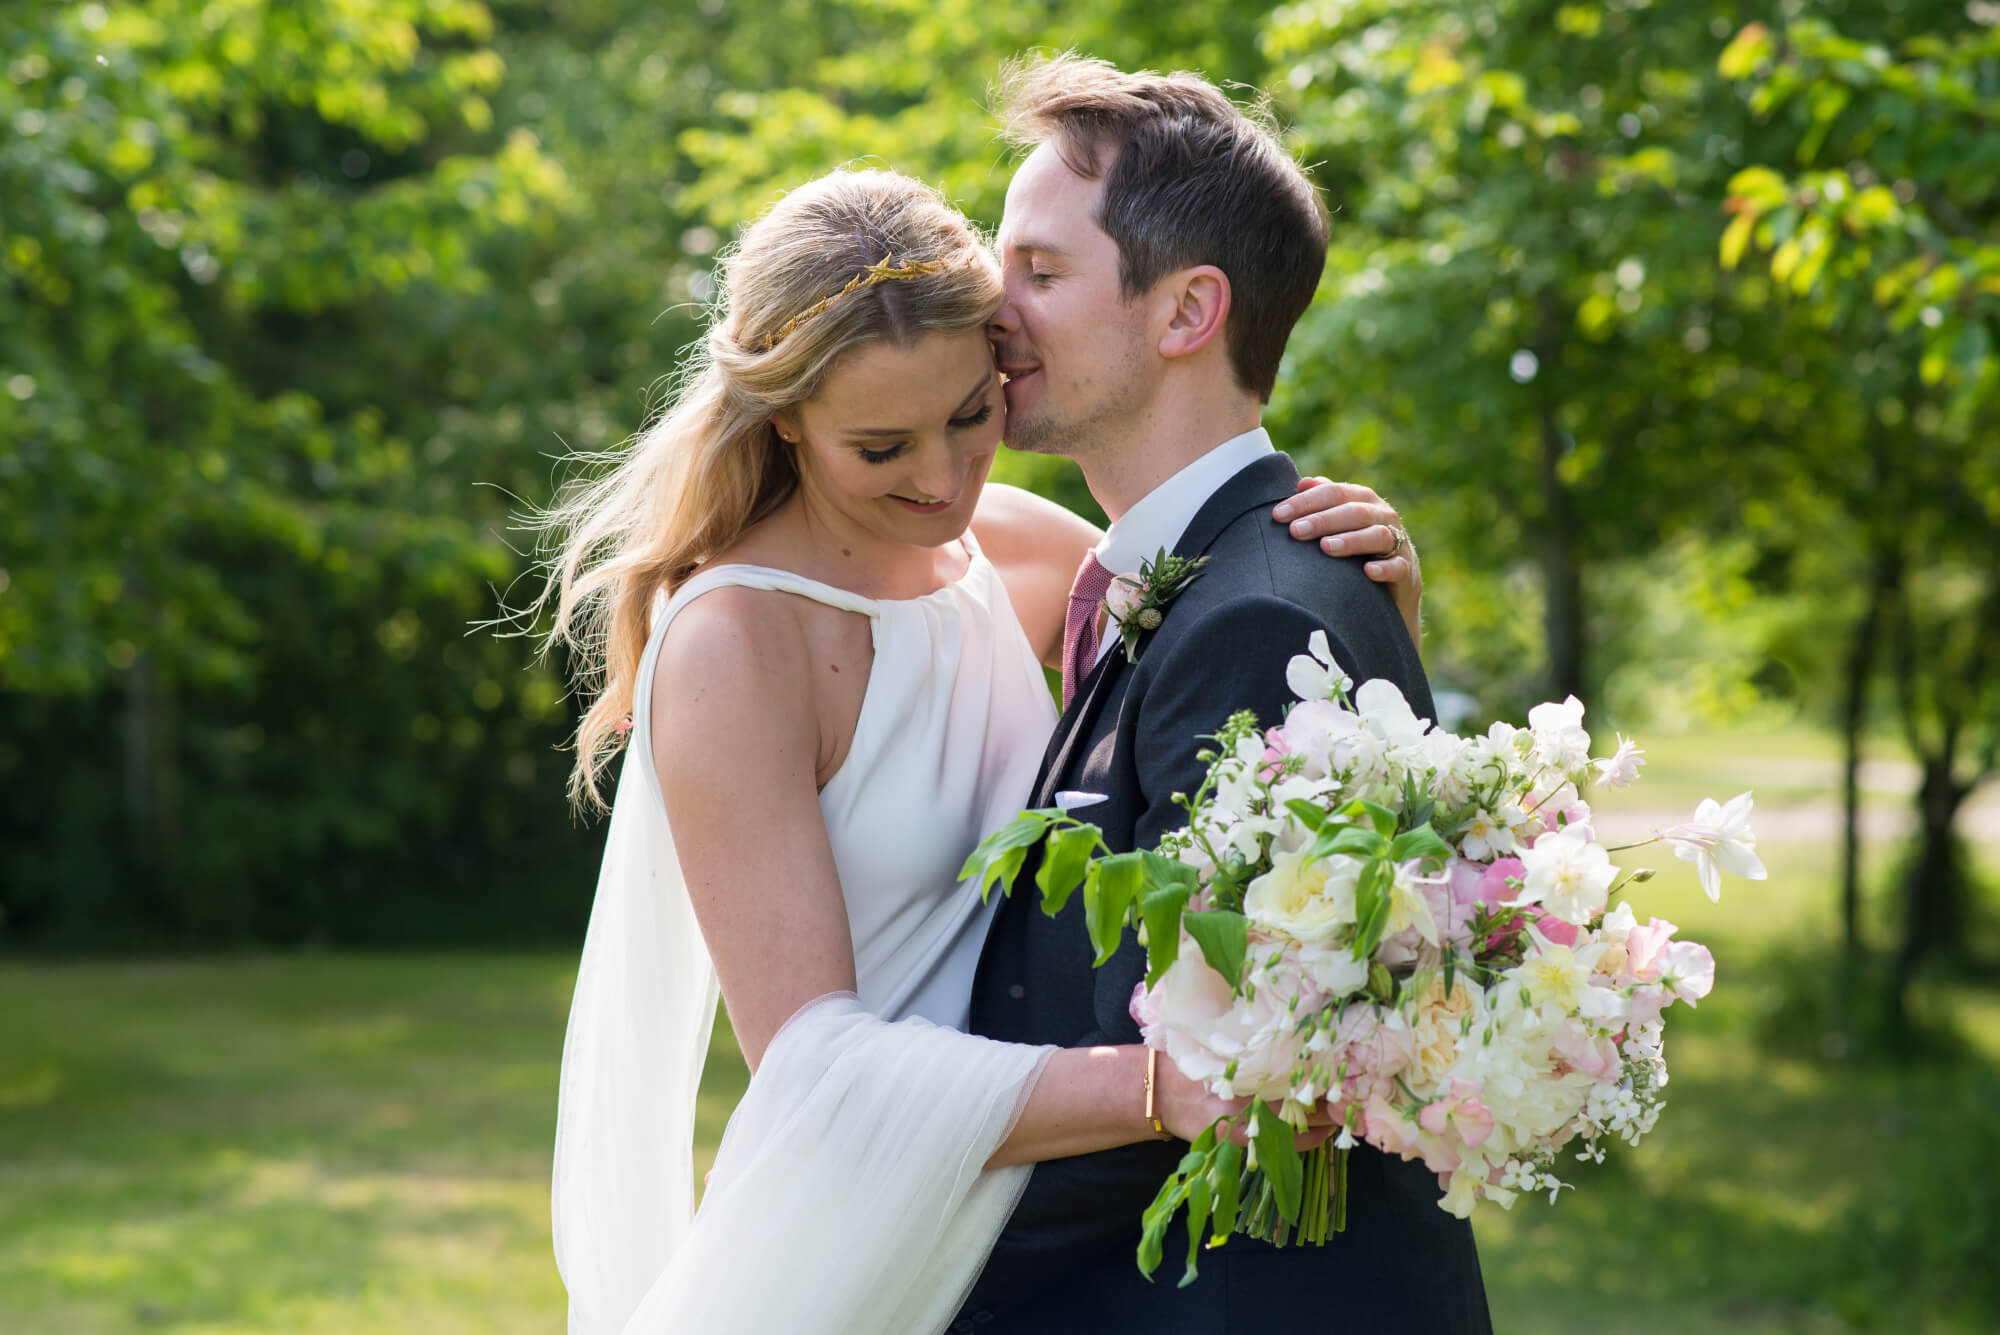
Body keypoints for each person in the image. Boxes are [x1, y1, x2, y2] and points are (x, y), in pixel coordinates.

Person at [541, 169, 1421, 1334]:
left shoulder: (1018, 555)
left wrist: (1365, 612)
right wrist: (1163, 1084)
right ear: (784, 416)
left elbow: (1228, 670)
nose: (943, 480)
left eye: (970, 415)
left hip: (1055, 1227)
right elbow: (808, 1068)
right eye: (879, 446)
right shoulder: (736, 642)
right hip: (871, 1219)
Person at [954, 56, 1491, 1333]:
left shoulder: (1252, 614)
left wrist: (900, 1243)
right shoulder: (1200, 577)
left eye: (1039, 271)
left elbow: (1203, 1078)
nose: (992, 312)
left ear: (1186, 309)